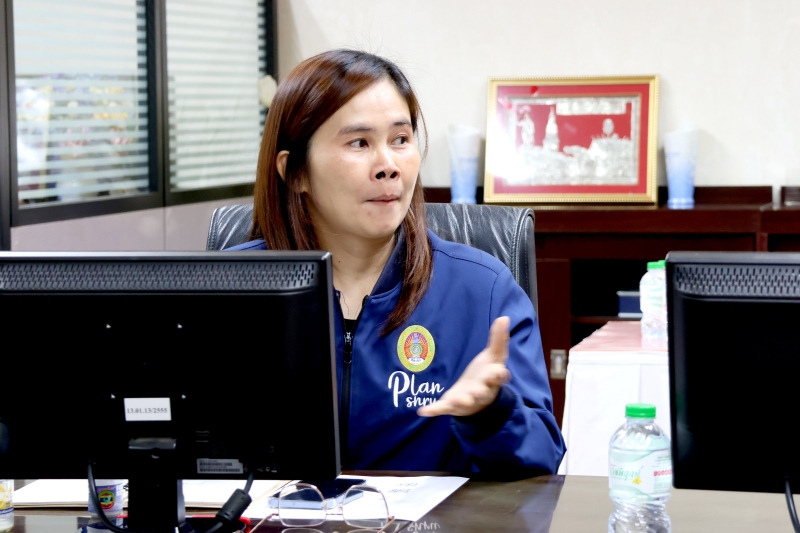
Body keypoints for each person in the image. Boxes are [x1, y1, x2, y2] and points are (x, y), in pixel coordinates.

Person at [228, 49, 565, 477]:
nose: (388, 166)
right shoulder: (228, 291)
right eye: (359, 143)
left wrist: (492, 413)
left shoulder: (481, 290)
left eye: (400, 140)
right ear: (296, 172)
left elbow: (543, 456)